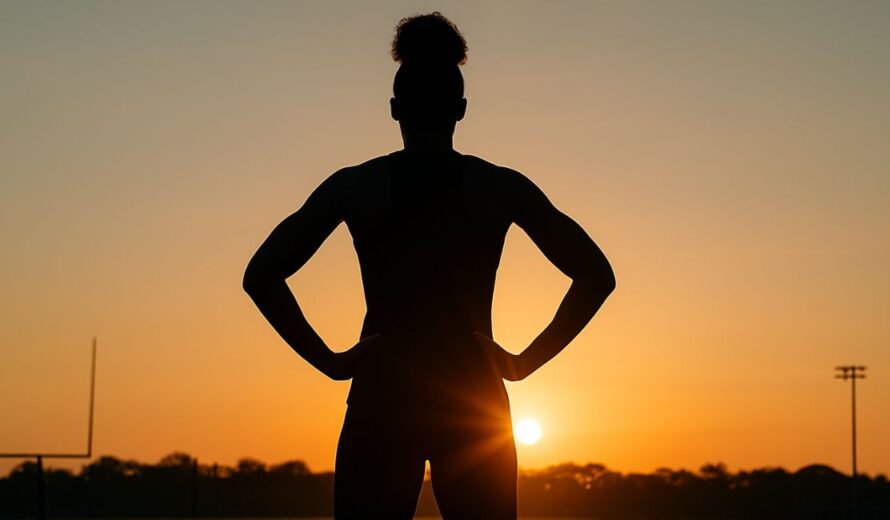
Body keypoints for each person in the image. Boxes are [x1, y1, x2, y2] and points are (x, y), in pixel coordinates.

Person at [243, 12, 615, 520]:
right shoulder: (498, 187)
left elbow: (262, 274)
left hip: (384, 394)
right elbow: (596, 274)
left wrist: (331, 361)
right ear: (461, 109)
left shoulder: (357, 186)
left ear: (394, 109)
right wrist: (522, 362)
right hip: (471, 397)